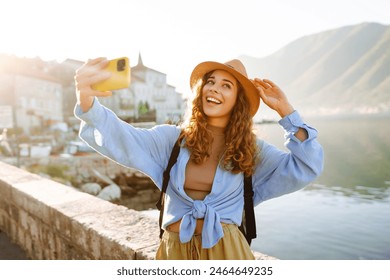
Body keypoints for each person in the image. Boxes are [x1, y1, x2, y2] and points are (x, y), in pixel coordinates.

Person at [74, 57, 324, 260]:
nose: (214, 88)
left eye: (227, 85)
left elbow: (307, 165)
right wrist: (85, 99)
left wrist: (286, 111)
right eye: (211, 81)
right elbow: (121, 138)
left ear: (239, 100)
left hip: (228, 254)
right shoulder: (170, 140)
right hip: (174, 252)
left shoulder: (251, 150)